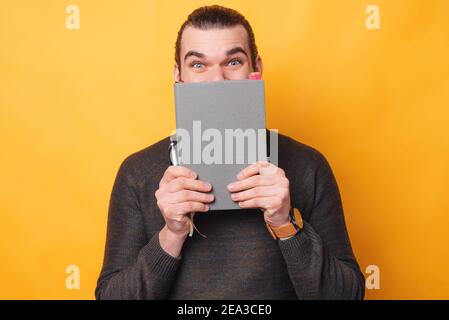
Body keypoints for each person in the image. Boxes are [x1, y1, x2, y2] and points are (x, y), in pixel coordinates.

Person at [95, 5, 365, 300]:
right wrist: (171, 234)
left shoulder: (308, 166)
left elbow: (347, 295)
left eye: (233, 62)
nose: (217, 79)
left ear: (256, 70)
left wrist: (285, 223)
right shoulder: (138, 173)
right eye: (198, 65)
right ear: (178, 75)